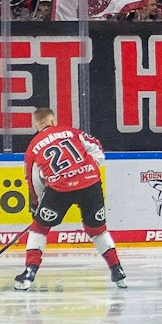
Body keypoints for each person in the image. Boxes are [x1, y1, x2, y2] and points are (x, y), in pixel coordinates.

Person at [15, 107, 126, 290]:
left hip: (60, 189)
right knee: (97, 229)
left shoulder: (32, 147)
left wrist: (36, 205)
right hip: (90, 184)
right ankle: (117, 269)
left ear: (36, 125)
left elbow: (33, 180)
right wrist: (89, 169)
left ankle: (29, 273)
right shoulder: (70, 131)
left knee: (39, 228)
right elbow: (96, 147)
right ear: (53, 121)